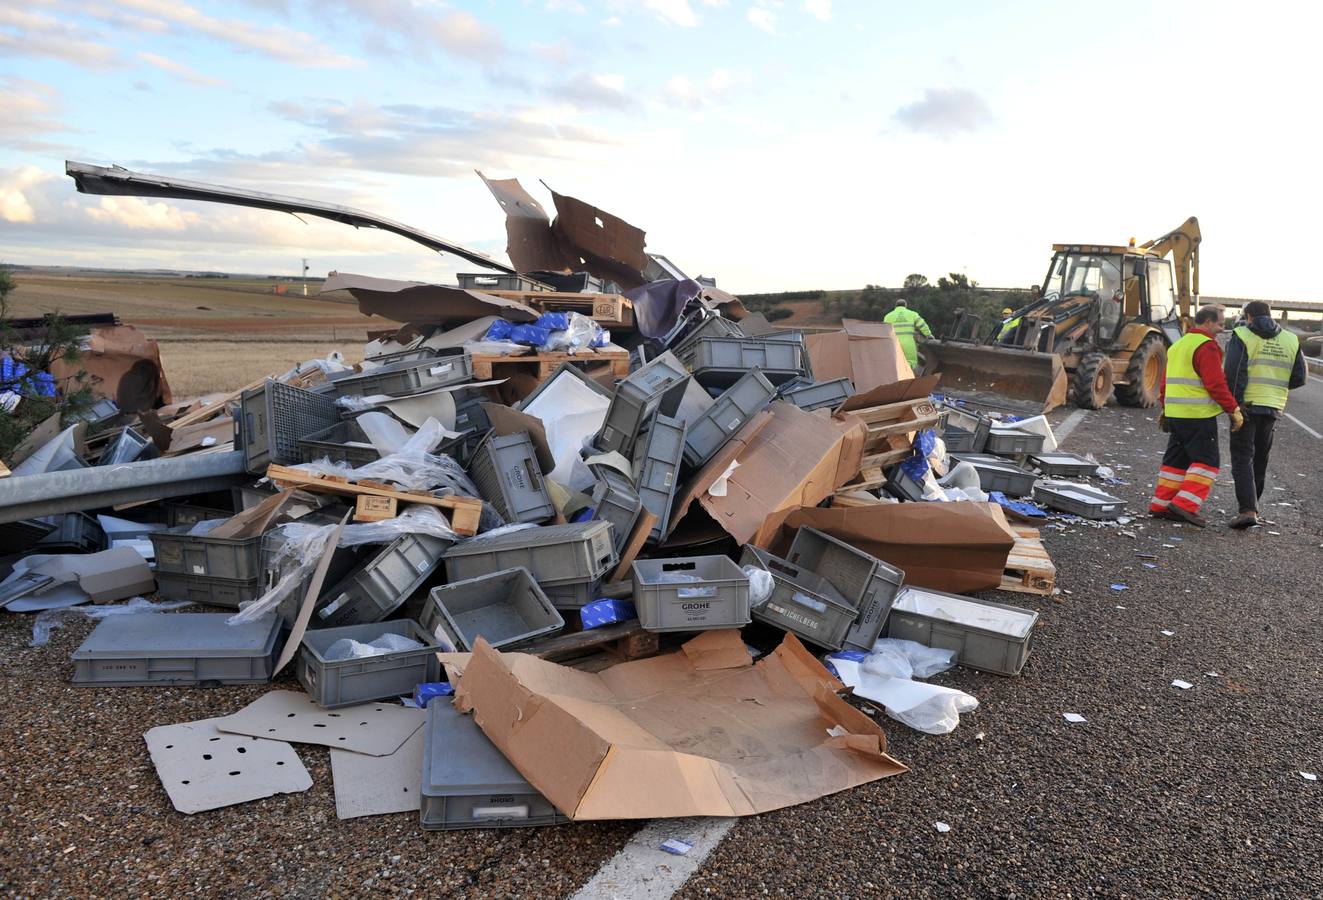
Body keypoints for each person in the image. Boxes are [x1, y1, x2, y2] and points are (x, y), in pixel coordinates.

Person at [1150, 305, 1244, 527]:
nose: (1222, 329)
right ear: (1208, 322)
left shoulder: (1178, 345)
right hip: (1197, 416)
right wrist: (1233, 409)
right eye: (1220, 324)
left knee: (1176, 461)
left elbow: (1164, 383)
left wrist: (1165, 408)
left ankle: (1161, 504)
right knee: (1207, 463)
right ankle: (1184, 505)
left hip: (1176, 414)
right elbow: (1215, 384)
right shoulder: (1206, 346)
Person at [1222, 301, 1306, 528]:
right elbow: (1299, 378)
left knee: (1242, 457)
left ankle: (1248, 510)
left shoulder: (1242, 334)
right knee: (1260, 458)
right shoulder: (1290, 339)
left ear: (1248, 316)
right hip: (1273, 406)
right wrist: (1274, 389)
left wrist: (1234, 404)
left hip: (1246, 405)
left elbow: (1234, 372)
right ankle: (1253, 507)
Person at [883, 299, 933, 369]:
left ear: (895, 306)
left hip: (893, 345)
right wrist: (928, 335)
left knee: (894, 364)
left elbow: (884, 331)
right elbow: (922, 325)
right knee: (910, 363)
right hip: (908, 344)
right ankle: (908, 378)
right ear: (905, 305)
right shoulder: (912, 314)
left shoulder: (887, 316)